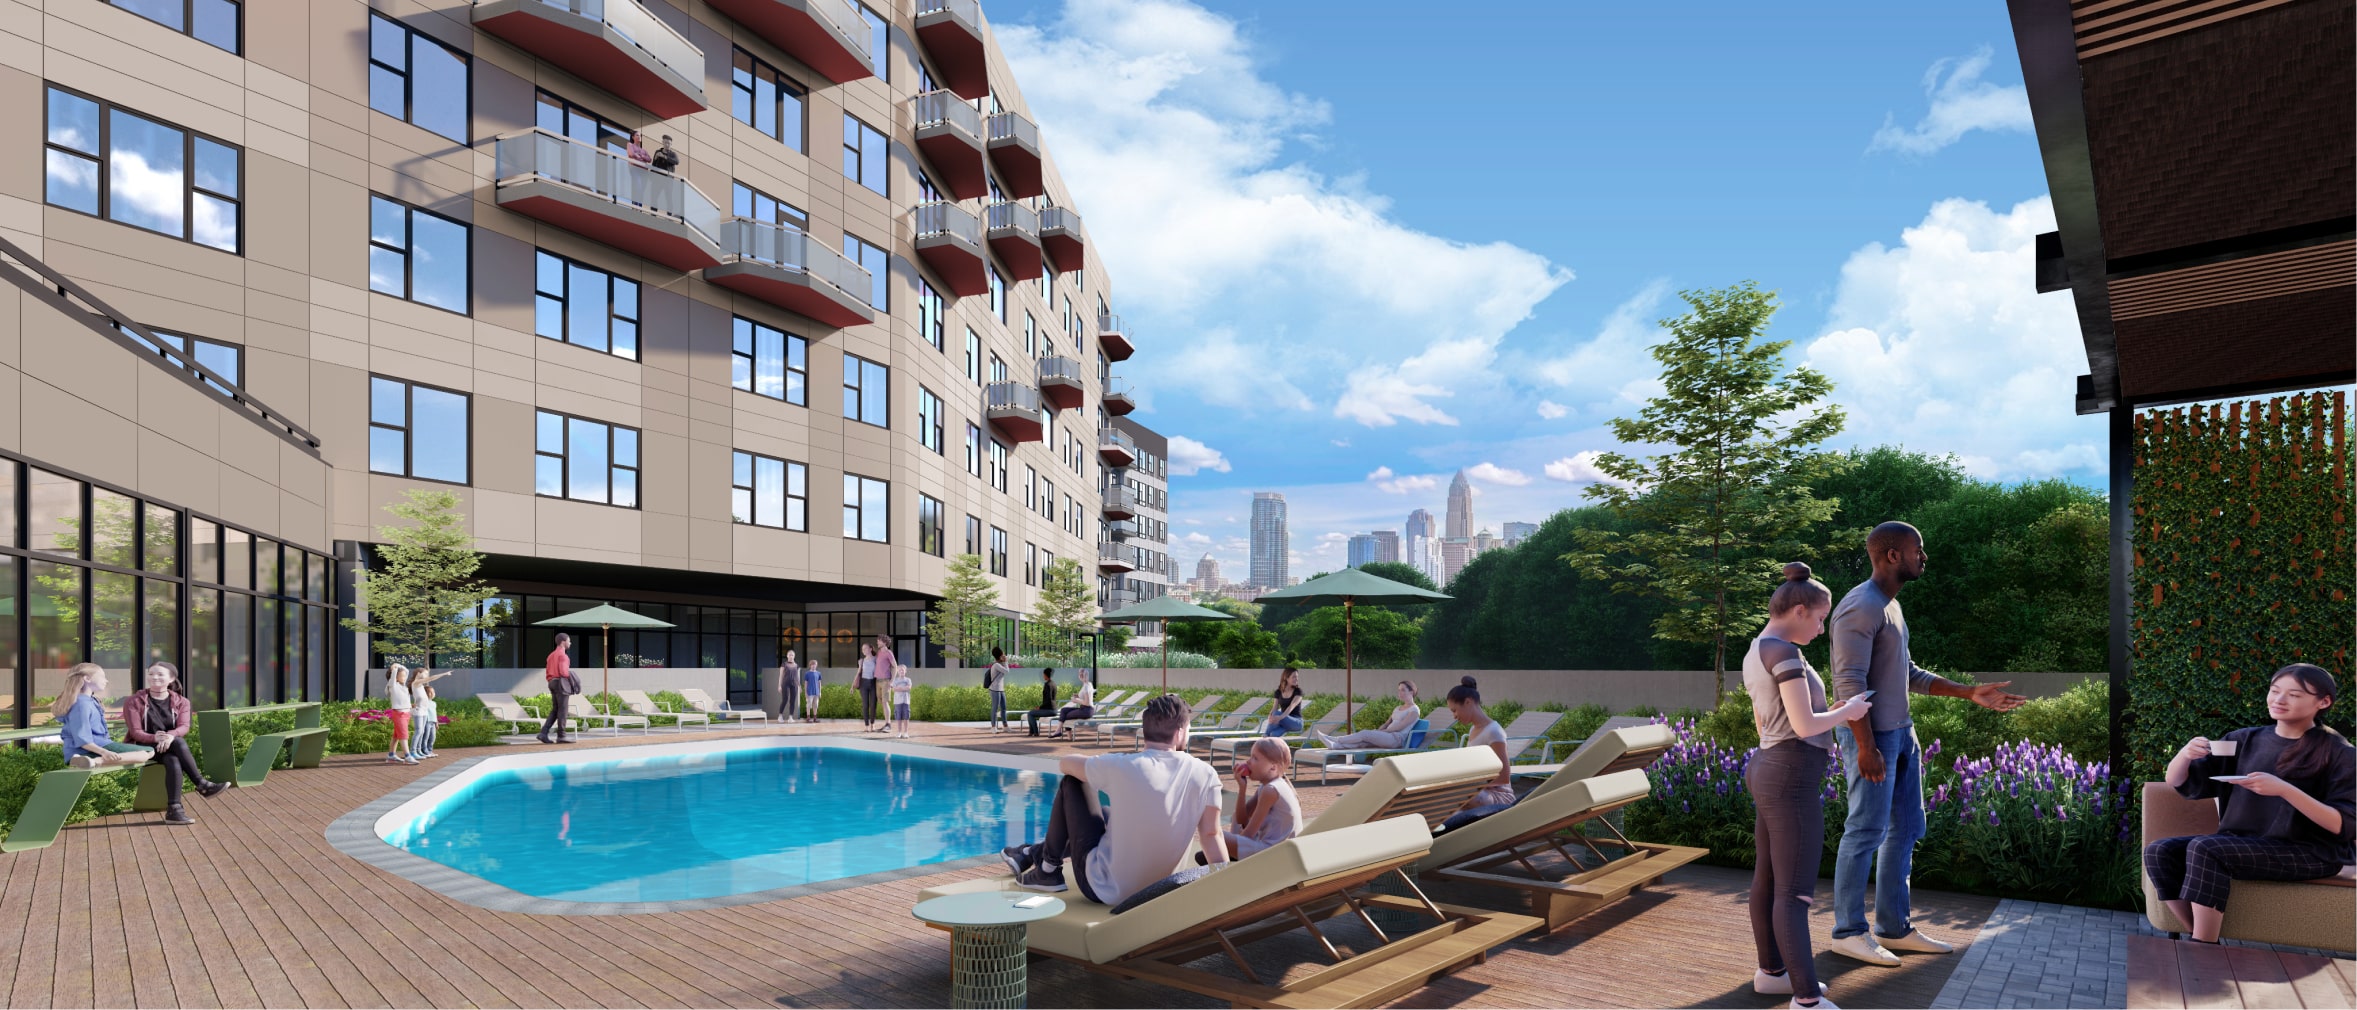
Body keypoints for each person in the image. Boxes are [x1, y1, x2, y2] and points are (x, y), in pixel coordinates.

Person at [1827, 521, 2025, 966]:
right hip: (1872, 736)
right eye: (1919, 549)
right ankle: (1848, 932)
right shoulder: (1861, 606)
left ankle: (1893, 928)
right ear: (1893, 555)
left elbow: (1908, 674)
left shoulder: (1890, 607)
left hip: (1900, 734)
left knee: (1906, 829)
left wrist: (1969, 692)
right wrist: (1866, 746)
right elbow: (1848, 686)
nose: (1925, 556)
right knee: (1864, 832)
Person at [1745, 563, 1876, 1010]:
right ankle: (1806, 1000)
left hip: (1768, 765)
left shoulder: (1756, 647)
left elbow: (1778, 717)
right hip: (1791, 776)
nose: (1822, 629)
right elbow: (1803, 726)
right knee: (1794, 892)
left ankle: (1772, 973)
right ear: (1798, 610)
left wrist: (1833, 708)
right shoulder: (1783, 652)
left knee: (1768, 880)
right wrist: (1850, 711)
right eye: (1820, 618)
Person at [2147, 663, 2354, 944]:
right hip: (2246, 842)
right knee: (2159, 851)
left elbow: (2342, 824)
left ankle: (2202, 946)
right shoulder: (2243, 739)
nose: (2279, 700)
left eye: (2294, 694)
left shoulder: (2339, 752)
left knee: (2206, 848)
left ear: (2323, 701)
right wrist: (2185, 755)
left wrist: (2284, 789)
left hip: (2311, 851)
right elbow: (2181, 783)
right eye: (2274, 691)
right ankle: (2202, 938)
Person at [1000, 695, 1227, 902]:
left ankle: (1047, 870)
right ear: (1179, 732)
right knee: (1108, 814)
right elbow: (1211, 834)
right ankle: (1032, 854)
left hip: (1104, 889)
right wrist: (1225, 888)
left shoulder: (1122, 766)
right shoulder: (1205, 773)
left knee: (1073, 781)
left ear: (1144, 730)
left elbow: (1064, 763)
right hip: (1159, 890)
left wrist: (1095, 763)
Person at [121, 662, 228, 824]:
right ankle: (201, 784)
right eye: (151, 674)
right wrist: (156, 738)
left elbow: (184, 726)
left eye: (160, 674)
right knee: (178, 744)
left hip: (169, 747)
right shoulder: (134, 701)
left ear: (171, 678)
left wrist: (169, 736)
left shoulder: (181, 701)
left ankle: (174, 810)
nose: (154, 677)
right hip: (142, 747)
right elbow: (136, 732)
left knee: (173, 758)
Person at [1219, 738, 1301, 860]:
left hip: (1273, 853)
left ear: (1272, 767)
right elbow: (1241, 818)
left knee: (1215, 834)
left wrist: (1228, 844)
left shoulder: (1271, 790)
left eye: (1255, 758)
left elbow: (1248, 834)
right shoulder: (1267, 785)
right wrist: (1242, 787)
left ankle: (1231, 863)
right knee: (1235, 818)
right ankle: (1231, 857)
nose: (1248, 761)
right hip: (1271, 846)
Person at [1448, 677, 1516, 811]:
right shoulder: (1473, 729)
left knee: (1455, 793)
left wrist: (1469, 784)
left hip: (1499, 796)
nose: (1454, 716)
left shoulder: (1494, 732)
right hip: (1479, 793)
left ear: (1468, 702)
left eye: (1454, 710)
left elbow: (1503, 777)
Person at [1309, 681, 1422, 750]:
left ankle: (1335, 739)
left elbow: (1400, 727)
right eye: (1399, 690)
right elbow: (1387, 723)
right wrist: (1378, 731)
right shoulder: (1398, 708)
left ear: (1411, 692)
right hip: (1387, 736)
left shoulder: (1414, 710)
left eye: (1403, 690)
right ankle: (1335, 746)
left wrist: (1380, 733)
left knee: (1364, 733)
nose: (1399, 693)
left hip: (1396, 739)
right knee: (1363, 742)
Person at [538, 633, 577, 745]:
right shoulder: (563, 656)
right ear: (563, 642)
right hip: (561, 683)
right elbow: (564, 672)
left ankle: (543, 733)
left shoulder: (550, 656)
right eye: (569, 641)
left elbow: (547, 672)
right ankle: (561, 736)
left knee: (556, 710)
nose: (570, 643)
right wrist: (573, 678)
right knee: (563, 710)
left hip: (551, 682)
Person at [411, 668, 454, 759]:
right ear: (419, 673)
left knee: (422, 732)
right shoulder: (416, 682)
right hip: (418, 711)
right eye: (425, 674)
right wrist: (444, 673)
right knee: (419, 732)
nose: (427, 676)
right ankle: (413, 751)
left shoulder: (421, 685)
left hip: (423, 711)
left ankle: (419, 751)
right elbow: (431, 678)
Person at [384, 665, 417, 765]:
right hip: (399, 714)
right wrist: (394, 668)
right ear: (395, 677)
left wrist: (399, 665)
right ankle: (407, 757)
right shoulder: (393, 685)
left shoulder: (403, 686)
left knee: (397, 735)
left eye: (404, 676)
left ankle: (391, 756)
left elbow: (406, 670)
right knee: (403, 736)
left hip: (406, 713)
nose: (404, 677)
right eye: (401, 676)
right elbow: (393, 676)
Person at [1049, 672, 1096, 739]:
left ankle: (1061, 733)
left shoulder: (1086, 686)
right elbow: (1086, 697)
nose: (1080, 676)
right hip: (1084, 709)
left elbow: (1087, 702)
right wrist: (1077, 695)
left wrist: (1075, 700)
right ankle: (1061, 732)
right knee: (1064, 710)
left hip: (1087, 710)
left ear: (1080, 676)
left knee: (1066, 716)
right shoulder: (1088, 684)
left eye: (1080, 674)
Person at [1261, 668, 1306, 736]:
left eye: (1297, 677)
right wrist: (1270, 716)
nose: (1296, 679)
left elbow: (1291, 706)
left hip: (1296, 722)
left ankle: (1265, 735)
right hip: (1284, 722)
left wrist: (1280, 717)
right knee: (1274, 734)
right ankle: (1268, 739)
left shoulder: (1298, 691)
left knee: (1276, 713)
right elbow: (1274, 707)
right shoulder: (1278, 692)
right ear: (1286, 678)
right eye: (1294, 677)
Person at [1025, 668, 1061, 737]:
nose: (1043, 676)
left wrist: (1040, 707)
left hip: (1050, 710)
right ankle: (1031, 732)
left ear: (1046, 675)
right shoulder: (1053, 683)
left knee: (1030, 713)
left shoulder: (1048, 685)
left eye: (1043, 675)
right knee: (1031, 713)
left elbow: (1049, 699)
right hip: (1053, 709)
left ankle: (1035, 732)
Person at [986, 647, 1012, 733]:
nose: (1004, 656)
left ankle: (1005, 726)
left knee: (1003, 708)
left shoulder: (999, 664)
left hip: (1001, 689)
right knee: (995, 708)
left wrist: (1004, 662)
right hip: (994, 689)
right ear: (1000, 655)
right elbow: (1007, 671)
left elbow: (1005, 670)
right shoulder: (996, 665)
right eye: (1002, 654)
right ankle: (993, 727)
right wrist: (1006, 661)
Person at [857, 642, 880, 732]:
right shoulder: (861, 661)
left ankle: (873, 724)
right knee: (865, 705)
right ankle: (866, 725)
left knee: (873, 704)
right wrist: (859, 666)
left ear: (870, 649)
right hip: (864, 683)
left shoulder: (876, 659)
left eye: (865, 648)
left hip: (873, 682)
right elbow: (858, 673)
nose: (864, 650)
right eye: (862, 649)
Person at [890, 664, 915, 739]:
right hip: (897, 702)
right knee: (898, 718)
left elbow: (909, 688)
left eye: (903, 670)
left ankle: (906, 732)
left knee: (906, 717)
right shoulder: (895, 680)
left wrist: (899, 688)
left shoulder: (908, 680)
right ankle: (899, 732)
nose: (901, 671)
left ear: (905, 671)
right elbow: (894, 689)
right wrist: (904, 688)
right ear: (897, 671)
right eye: (900, 670)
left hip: (906, 701)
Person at [782, 649, 802, 723]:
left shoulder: (797, 666)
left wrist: (799, 686)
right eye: (789, 654)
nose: (791, 656)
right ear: (787, 656)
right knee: (785, 699)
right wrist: (779, 686)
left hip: (794, 685)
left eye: (792, 655)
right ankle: (780, 715)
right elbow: (781, 676)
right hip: (785, 684)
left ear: (794, 656)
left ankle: (790, 717)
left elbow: (797, 677)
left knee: (792, 701)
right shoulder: (784, 664)